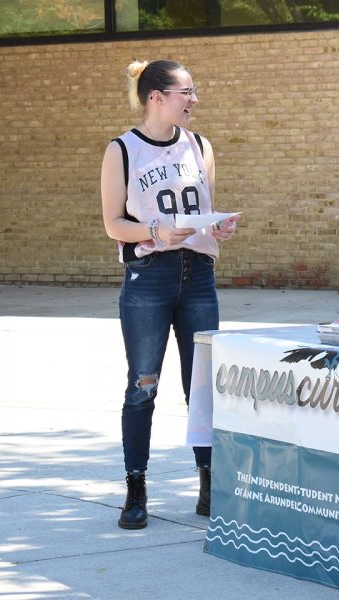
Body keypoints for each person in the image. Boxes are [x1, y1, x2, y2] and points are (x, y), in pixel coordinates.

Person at [100, 59, 241, 530]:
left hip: (198, 273)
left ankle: (208, 483)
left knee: (203, 386)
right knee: (143, 386)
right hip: (149, 277)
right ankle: (136, 488)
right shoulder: (122, 150)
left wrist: (217, 227)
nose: (194, 100)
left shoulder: (201, 145)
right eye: (187, 92)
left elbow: (205, 209)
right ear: (156, 97)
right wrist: (157, 230)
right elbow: (113, 225)